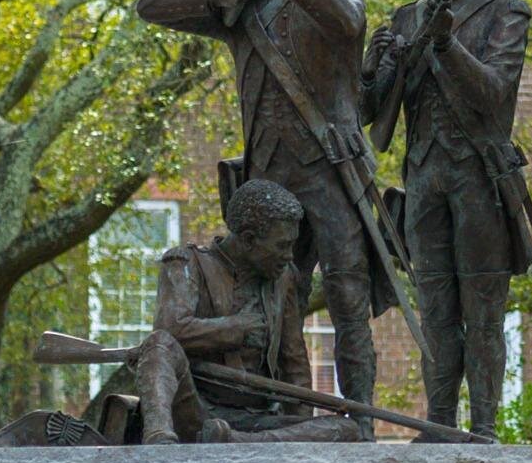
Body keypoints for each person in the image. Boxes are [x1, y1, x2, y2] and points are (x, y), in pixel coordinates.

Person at [136, 0, 389, 434]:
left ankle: (362, 424)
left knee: (349, 296)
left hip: (332, 171)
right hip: (268, 182)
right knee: (277, 301)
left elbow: (348, 22)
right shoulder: (236, 8)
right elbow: (148, 3)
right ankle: (289, 420)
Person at [360, 0, 532, 440]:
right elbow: (370, 112)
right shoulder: (407, 15)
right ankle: (439, 422)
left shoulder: (506, 12)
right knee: (435, 309)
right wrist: (374, 69)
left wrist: (446, 43)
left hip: (480, 176)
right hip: (424, 176)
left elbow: (494, 93)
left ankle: (483, 426)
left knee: (483, 312)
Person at [129, 179, 359, 443]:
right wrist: (235, 328)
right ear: (249, 239)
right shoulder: (187, 264)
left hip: (256, 420)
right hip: (196, 411)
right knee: (159, 343)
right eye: (281, 245)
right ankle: (159, 438)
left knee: (345, 428)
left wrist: (300, 428)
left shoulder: (283, 279)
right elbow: (171, 329)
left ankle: (239, 441)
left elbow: (293, 362)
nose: (289, 255)